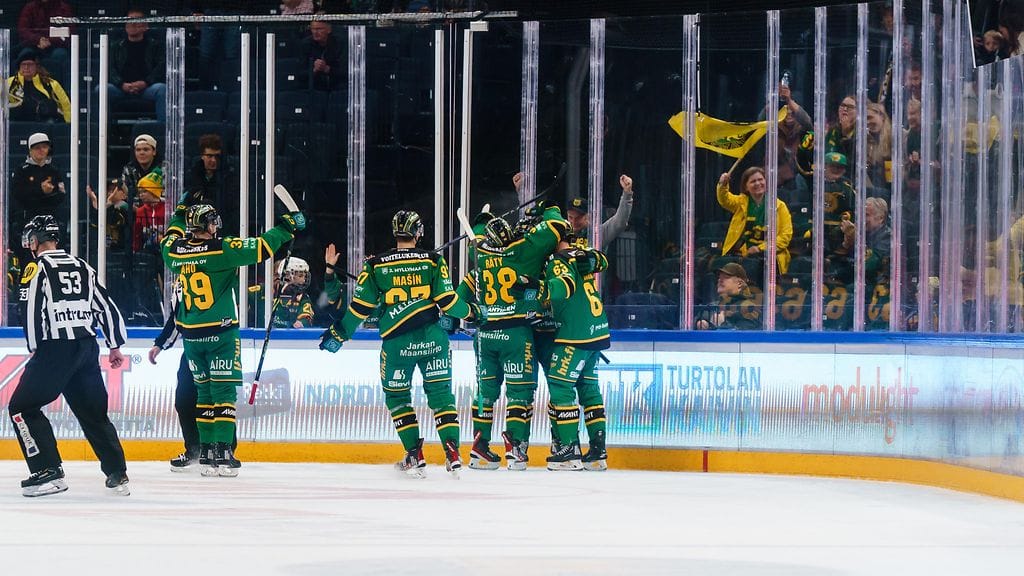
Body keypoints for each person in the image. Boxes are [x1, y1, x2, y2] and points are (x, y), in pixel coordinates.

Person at [319, 210, 477, 478]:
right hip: (433, 341)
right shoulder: (433, 260)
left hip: (397, 345)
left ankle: (415, 455)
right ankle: (452, 454)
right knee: (441, 397)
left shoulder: (376, 265)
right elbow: (449, 303)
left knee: (398, 398)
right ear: (419, 232)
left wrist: (339, 334)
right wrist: (473, 312)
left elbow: (360, 307)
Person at [161, 201, 302, 477]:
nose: (216, 226)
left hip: (192, 335)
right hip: (221, 331)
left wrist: (178, 217)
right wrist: (287, 227)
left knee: (203, 394)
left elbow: (169, 239)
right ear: (206, 225)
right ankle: (223, 452)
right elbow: (263, 247)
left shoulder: (175, 252)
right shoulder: (222, 249)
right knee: (223, 394)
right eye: (212, 222)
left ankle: (206, 455)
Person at [9, 215, 130, 497]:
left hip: (55, 348)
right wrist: (115, 345)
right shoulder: (82, 266)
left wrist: (34, 346)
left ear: (36, 240)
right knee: (93, 413)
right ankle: (117, 472)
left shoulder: (35, 268)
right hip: (86, 347)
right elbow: (106, 306)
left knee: (21, 408)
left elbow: (31, 310)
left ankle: (48, 471)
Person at [455, 203, 571, 471]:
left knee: (485, 392)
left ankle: (480, 448)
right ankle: (516, 449)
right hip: (516, 333)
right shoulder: (522, 252)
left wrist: (482, 219)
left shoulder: (480, 253)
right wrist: (551, 209)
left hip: (485, 335)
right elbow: (556, 227)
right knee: (519, 394)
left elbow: (458, 296)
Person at [542, 236, 611, 471]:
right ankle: (597, 452)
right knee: (589, 390)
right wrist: (590, 257)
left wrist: (540, 290)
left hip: (575, 333)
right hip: (597, 330)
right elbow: (602, 261)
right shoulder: (582, 251)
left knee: (561, 386)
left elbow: (562, 287)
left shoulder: (558, 260)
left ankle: (569, 450)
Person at [716, 167, 793, 276]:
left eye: (760, 180)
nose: (758, 183)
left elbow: (785, 236)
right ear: (746, 187)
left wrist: (759, 248)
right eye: (753, 181)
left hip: (770, 258)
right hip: (742, 256)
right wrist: (722, 185)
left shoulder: (779, 206)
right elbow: (725, 200)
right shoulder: (741, 202)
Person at [107, 8, 167, 121]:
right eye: (129, 21)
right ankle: (104, 129)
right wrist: (121, 84)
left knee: (162, 89)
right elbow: (110, 68)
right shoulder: (115, 46)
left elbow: (160, 68)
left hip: (147, 88)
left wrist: (145, 83)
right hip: (121, 88)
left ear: (145, 26)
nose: (132, 24)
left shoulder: (155, 46)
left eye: (136, 20)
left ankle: (162, 129)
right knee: (102, 89)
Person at [11, 132, 67, 250]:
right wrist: (40, 190)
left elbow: (61, 195)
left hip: (51, 217)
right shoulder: (21, 170)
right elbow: (18, 195)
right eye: (37, 148)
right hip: (27, 218)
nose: (41, 150)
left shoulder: (54, 170)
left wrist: (49, 193)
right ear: (30, 150)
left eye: (44, 147)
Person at [185, 133, 240, 236]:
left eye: (217, 156)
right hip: (197, 230)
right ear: (202, 155)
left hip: (223, 228)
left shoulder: (229, 177)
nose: (213, 160)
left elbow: (232, 208)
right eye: (209, 156)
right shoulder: (192, 175)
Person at [563, 174, 634, 249]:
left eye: (578, 218)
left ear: (588, 217)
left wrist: (627, 193)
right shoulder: (561, 233)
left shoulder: (596, 234)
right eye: (570, 217)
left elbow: (619, 222)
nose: (574, 221)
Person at [7, 51, 71, 123]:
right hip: (18, 122)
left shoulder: (51, 84)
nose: (26, 67)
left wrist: (68, 124)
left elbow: (65, 105)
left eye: (30, 64)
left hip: (44, 122)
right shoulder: (9, 83)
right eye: (23, 64)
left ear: (37, 67)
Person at [695, 262, 762, 330]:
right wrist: (699, 322)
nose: (719, 280)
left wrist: (723, 324)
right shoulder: (712, 305)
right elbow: (693, 322)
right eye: (719, 277)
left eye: (726, 277)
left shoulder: (749, 308)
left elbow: (745, 336)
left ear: (739, 283)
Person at [15, 0, 73, 78]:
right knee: (25, 54)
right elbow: (23, 30)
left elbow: (69, 31)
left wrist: (49, 40)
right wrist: (38, 40)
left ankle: (58, 87)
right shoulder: (29, 7)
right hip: (33, 45)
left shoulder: (63, 8)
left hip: (56, 45)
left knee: (61, 55)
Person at [121, 134, 165, 205]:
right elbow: (125, 196)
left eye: (146, 149)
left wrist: (155, 200)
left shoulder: (164, 169)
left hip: (160, 211)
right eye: (138, 150)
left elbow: (168, 197)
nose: (141, 153)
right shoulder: (128, 169)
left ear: (154, 152)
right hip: (134, 212)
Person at [272, 257, 315, 328]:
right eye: (300, 276)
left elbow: (306, 316)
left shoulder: (302, 297)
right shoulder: (263, 291)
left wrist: (302, 323)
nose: (304, 280)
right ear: (288, 275)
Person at [302, 19, 343, 91]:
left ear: (329, 30)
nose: (315, 32)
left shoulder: (339, 43)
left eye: (319, 29)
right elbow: (300, 73)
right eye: (313, 29)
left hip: (337, 86)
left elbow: (345, 72)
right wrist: (313, 70)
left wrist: (327, 69)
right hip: (313, 87)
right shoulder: (305, 44)